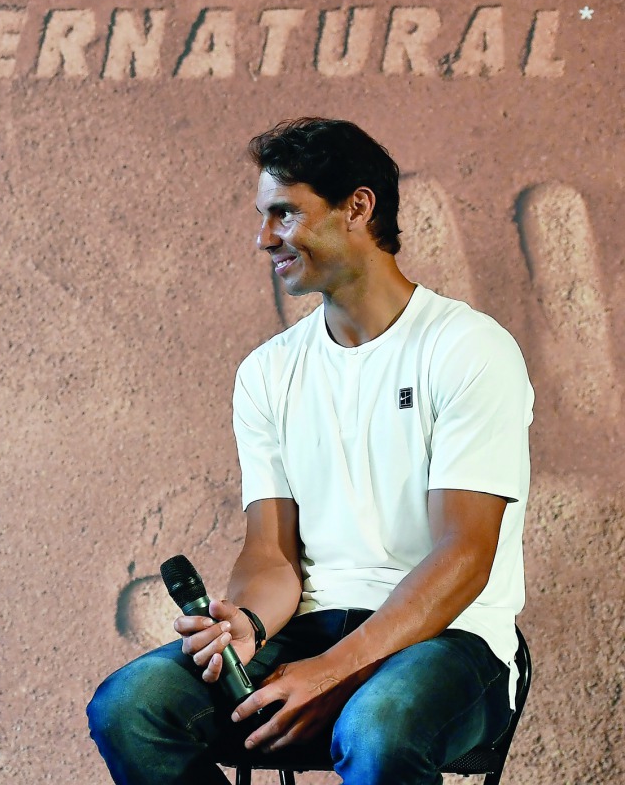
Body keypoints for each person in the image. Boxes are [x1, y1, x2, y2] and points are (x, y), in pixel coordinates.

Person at [87, 118, 533, 784]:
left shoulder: (468, 348)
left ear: (358, 207)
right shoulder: (266, 374)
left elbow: (464, 557)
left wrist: (335, 670)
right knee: (131, 707)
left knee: (374, 727)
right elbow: (271, 554)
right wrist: (249, 625)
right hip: (306, 631)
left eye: (285, 213)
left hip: (452, 642)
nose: (264, 237)